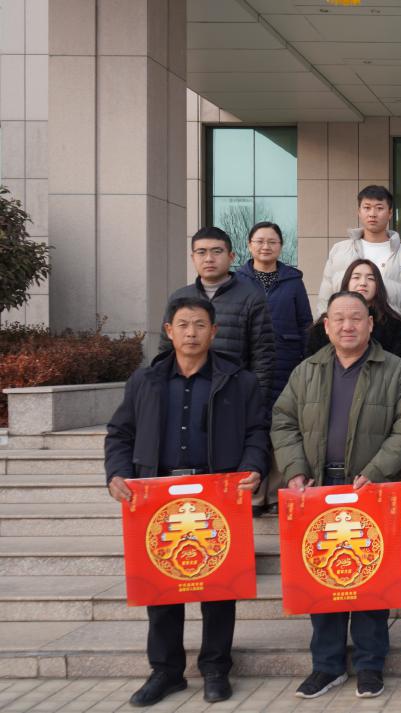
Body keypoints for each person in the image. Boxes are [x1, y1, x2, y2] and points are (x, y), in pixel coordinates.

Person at [104, 296, 268, 707]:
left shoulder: (240, 381)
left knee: (219, 589)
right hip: (157, 495)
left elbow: (257, 432)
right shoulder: (145, 381)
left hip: (218, 494)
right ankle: (166, 671)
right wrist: (117, 473)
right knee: (161, 589)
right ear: (169, 331)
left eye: (199, 325)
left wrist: (252, 466)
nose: (191, 333)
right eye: (183, 324)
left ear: (214, 332)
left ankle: (216, 668)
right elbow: (120, 433)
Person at [271, 290, 401, 701]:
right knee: (323, 578)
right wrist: (295, 471)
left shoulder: (398, 372)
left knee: (371, 580)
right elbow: (283, 422)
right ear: (326, 326)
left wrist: (376, 471)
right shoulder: (306, 371)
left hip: (371, 489)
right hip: (319, 488)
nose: (347, 325)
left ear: (371, 324)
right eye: (339, 318)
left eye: (356, 318)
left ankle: (371, 665)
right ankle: (327, 665)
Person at [163, 227, 275, 399]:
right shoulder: (179, 298)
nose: (209, 258)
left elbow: (263, 358)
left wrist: (255, 402)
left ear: (231, 256)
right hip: (185, 394)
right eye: (201, 252)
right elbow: (165, 351)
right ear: (193, 258)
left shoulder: (252, 297)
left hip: (233, 395)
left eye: (217, 252)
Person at [318, 185, 401, 334]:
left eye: (379, 208)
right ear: (359, 212)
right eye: (367, 207)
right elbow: (325, 301)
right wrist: (323, 337)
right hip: (345, 336)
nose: (372, 214)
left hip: (391, 338)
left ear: (390, 213)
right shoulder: (339, 251)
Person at [236, 221, 313, 405]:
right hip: (247, 360)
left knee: (283, 412)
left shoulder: (293, 280)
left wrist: (307, 360)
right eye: (260, 241)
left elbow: (305, 324)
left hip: (286, 359)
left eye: (272, 242)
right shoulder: (237, 281)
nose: (266, 246)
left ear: (281, 246)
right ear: (249, 245)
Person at [308, 260, 401, 361]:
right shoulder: (323, 325)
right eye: (356, 277)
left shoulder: (395, 326)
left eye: (370, 278)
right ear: (347, 282)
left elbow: (399, 366)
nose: (363, 283)